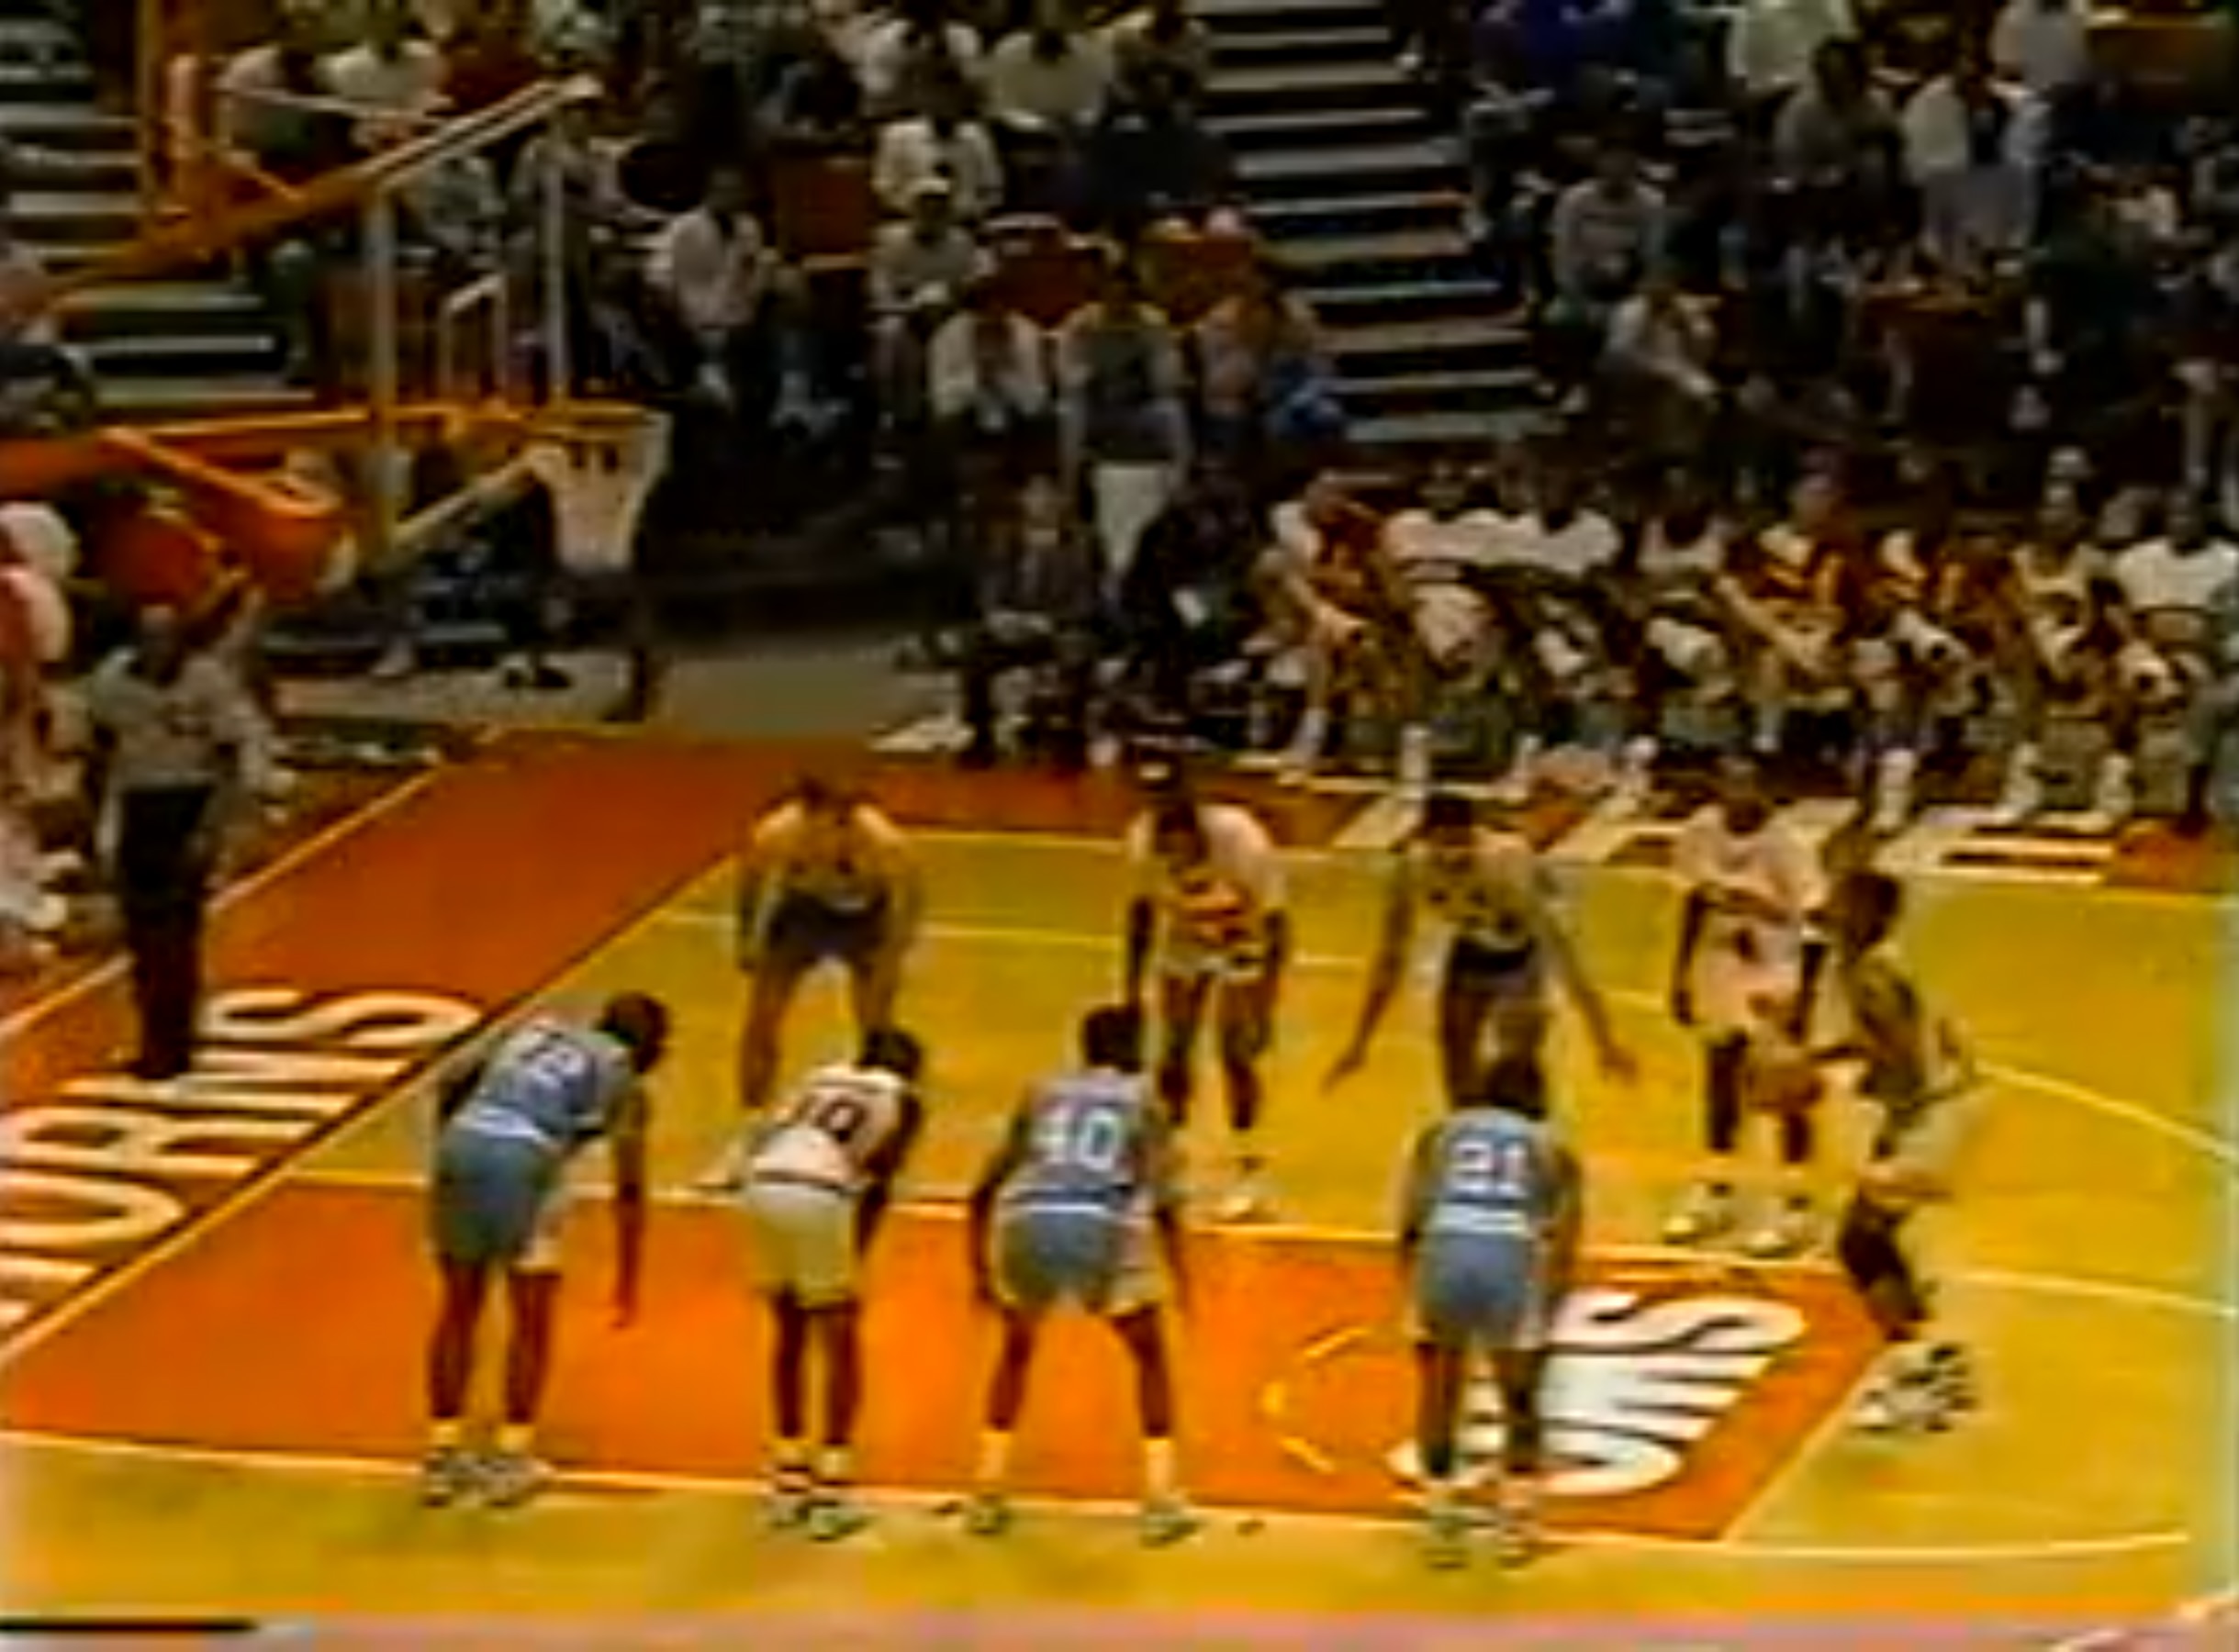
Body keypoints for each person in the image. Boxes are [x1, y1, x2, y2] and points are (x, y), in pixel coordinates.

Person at [422, 994, 671, 1508]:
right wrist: (628, 1276)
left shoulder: (536, 1029)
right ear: (649, 1048)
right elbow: (629, 1187)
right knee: (529, 1319)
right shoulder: (622, 1077)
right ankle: (510, 1458)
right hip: (526, 1159)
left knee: (459, 1308)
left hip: (462, 1143)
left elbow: (450, 1080)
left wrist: (450, 1146)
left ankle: (442, 1456)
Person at [962, 1004, 1197, 1546]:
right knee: (1150, 1355)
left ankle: (986, 1492)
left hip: (1026, 1217)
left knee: (1016, 1351)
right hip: (1097, 1222)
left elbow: (983, 1189)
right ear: (1132, 1049)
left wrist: (977, 1268)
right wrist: (1183, 1277)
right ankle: (1161, 1500)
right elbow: (1164, 1200)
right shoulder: (1143, 1098)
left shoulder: (1041, 1091)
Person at [737, 1028, 929, 1539]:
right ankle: (832, 1489)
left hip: (761, 1183)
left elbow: (771, 1133)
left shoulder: (819, 1077)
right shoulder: (904, 1099)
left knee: (788, 1333)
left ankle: (787, 1479)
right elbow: (879, 1184)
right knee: (841, 1339)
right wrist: (856, 1252)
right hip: (819, 1193)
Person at [1327, 791, 1631, 1109]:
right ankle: (1465, 1124)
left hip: (1524, 956)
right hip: (1471, 950)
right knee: (1454, 1055)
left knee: (1516, 1063)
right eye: (1444, 844)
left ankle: (1523, 1123)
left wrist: (1603, 1040)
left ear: (1476, 836)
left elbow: (1565, 954)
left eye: (1462, 843)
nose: (1453, 855)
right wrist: (1360, 1041)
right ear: (1425, 839)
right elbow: (1390, 958)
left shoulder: (1507, 864)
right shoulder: (1412, 869)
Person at [1812, 869, 1981, 1434]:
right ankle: (1934, 1361)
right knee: (1874, 1237)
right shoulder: (1886, 961)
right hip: (1948, 1106)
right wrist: (1822, 1057)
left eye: (1844, 903)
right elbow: (1898, 1039)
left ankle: (1916, 1374)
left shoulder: (1871, 975)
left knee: (1859, 1242)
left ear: (1871, 916)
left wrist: (1890, 1117)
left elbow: (1903, 1060)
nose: (1832, 909)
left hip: (1927, 1117)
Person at [1397, 1053, 1582, 1568]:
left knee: (1439, 1392)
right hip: (1508, 1259)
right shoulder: (1551, 1146)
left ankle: (1440, 1523)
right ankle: (1515, 1527)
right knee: (1520, 1398)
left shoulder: (1439, 1135)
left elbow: (1409, 1223)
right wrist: (1549, 1309)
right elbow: (1564, 1240)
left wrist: (1411, 1291)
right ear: (1536, 1097)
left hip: (1443, 1253)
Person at [84, 606, 278, 1081]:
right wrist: (95, 825)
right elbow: (100, 752)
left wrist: (211, 829)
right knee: (142, 936)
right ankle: (155, 1032)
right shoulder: (111, 682)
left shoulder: (207, 681)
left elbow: (228, 758)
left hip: (190, 801)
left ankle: (172, 1042)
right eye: (149, 638)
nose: (158, 649)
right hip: (139, 806)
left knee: (175, 933)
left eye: (166, 638)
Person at [702, 777, 923, 1190]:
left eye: (835, 824)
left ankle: (880, 1144)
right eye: (815, 822)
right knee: (761, 1022)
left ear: (847, 821)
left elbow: (906, 901)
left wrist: (893, 955)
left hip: (867, 916)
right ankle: (749, 1130)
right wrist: (747, 938)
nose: (823, 834)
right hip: (802, 911)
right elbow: (750, 885)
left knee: (877, 1032)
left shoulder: (885, 843)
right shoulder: (775, 834)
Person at [1663, 755, 1828, 1256]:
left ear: (1766, 788)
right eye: (1728, 782)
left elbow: (1816, 927)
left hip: (1775, 969)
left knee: (1784, 1091)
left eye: (1747, 783)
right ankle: (1716, 1188)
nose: (1736, 792)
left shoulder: (1790, 845)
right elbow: (1694, 900)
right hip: (1718, 966)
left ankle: (1797, 1204)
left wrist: (1805, 1001)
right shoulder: (1700, 830)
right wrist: (1679, 974)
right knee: (1718, 1081)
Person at [1121, 787, 1286, 1221]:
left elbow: (1278, 926)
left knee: (1235, 1053)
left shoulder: (1244, 841)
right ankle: (1168, 1166)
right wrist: (1131, 991)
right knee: (1173, 1053)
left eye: (1182, 848)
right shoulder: (1141, 842)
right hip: (1185, 938)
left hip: (1244, 934)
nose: (1175, 858)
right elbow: (1141, 915)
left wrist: (1267, 1004)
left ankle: (1249, 1172)